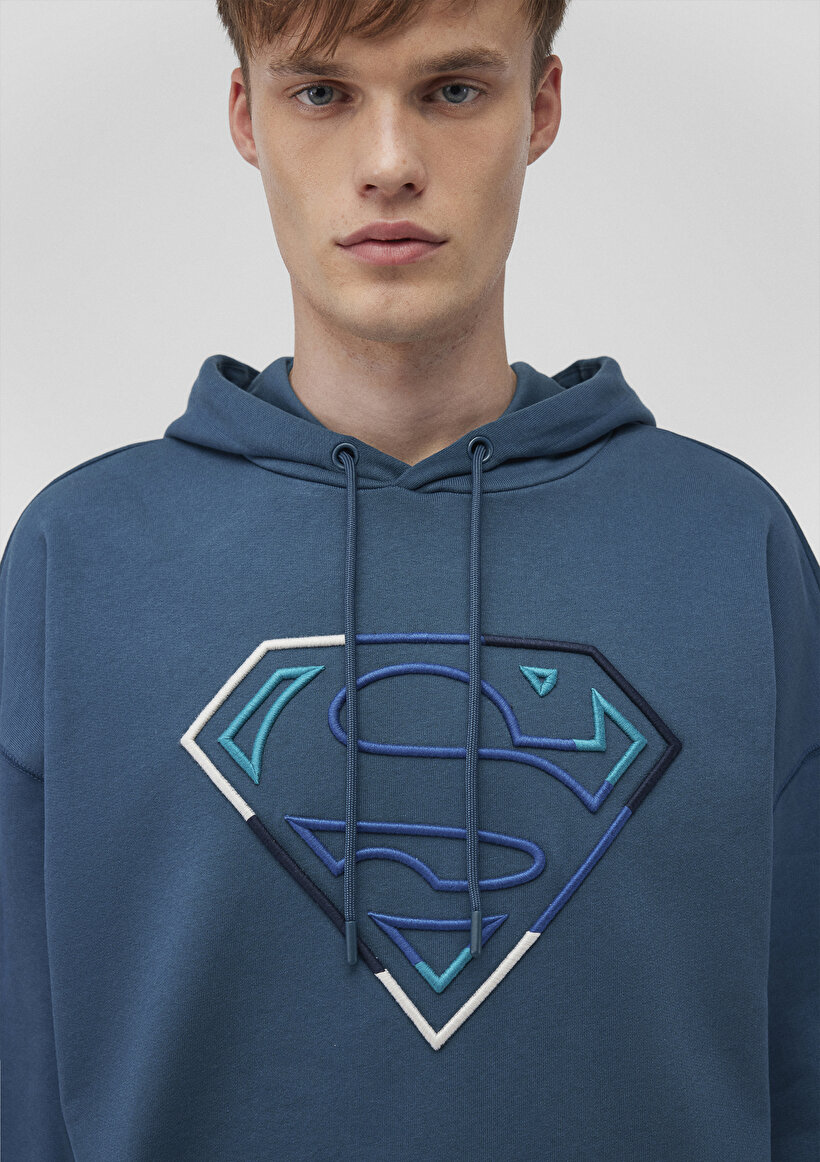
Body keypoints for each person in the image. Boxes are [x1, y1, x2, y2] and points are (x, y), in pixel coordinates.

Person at [1, 0, 817, 1158]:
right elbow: (21, 1078)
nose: (389, 163)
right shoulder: (79, 558)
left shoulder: (730, 544)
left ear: (540, 107)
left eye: (452, 91)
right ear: (247, 116)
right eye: (321, 93)